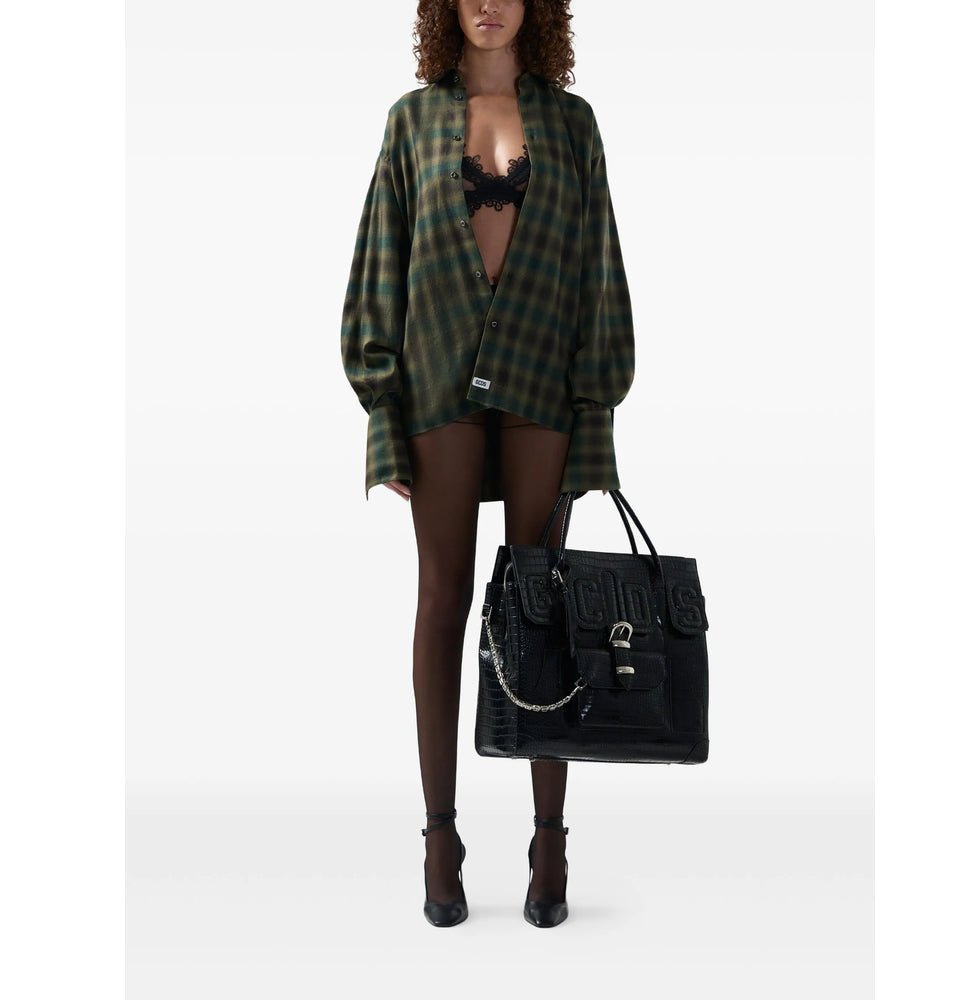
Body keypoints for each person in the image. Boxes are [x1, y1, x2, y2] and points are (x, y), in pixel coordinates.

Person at [340, 0, 634, 928]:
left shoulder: (572, 125)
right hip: (437, 387)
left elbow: (599, 272)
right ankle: (441, 837)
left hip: (543, 380)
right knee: (443, 598)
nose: (490, 4)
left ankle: (549, 839)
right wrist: (383, 418)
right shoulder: (411, 121)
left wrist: (596, 419)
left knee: (542, 602)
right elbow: (379, 269)